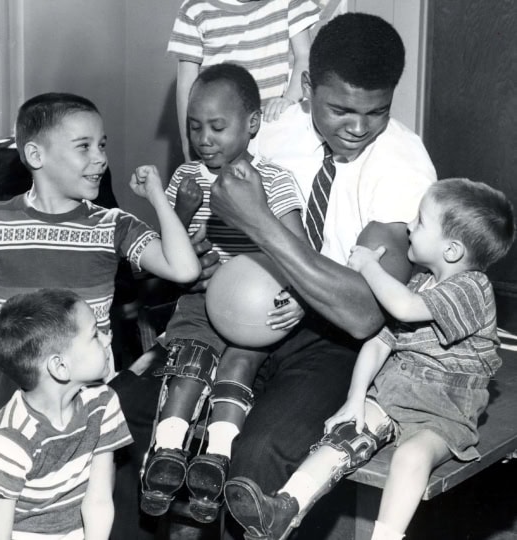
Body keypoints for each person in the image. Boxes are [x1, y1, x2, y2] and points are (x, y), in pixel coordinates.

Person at [203, 12, 437, 537]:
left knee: (258, 457)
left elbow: (363, 313)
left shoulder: (402, 164)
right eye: (339, 109)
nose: (357, 128)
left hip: (342, 342)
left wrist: (260, 223)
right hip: (255, 312)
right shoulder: (274, 132)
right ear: (307, 88)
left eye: (376, 111)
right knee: (139, 410)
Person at [224, 178, 516, 540]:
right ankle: (284, 507)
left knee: (411, 458)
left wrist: (367, 266)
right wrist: (355, 398)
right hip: (395, 392)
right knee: (342, 435)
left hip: (446, 410)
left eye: (421, 222)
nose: (410, 226)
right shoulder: (420, 282)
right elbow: (379, 344)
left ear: (453, 250)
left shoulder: (472, 288)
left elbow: (404, 310)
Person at [0, 92, 201, 436]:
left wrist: (157, 198)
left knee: (86, 486)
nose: (101, 158)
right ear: (35, 155)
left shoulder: (114, 225)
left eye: (102, 145)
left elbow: (184, 270)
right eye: (84, 147)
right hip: (13, 395)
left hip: (89, 400)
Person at [140, 62, 307, 524]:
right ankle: (167, 453)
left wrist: (289, 290)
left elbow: (297, 251)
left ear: (252, 125)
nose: (204, 139)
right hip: (201, 298)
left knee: (238, 362)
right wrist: (183, 209)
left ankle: (216, 456)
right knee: (191, 358)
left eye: (218, 126)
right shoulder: (185, 178)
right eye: (195, 128)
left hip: (255, 308)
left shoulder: (273, 180)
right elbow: (174, 260)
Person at [0, 289, 134, 540]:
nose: (107, 339)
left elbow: (99, 500)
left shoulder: (103, 403)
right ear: (60, 366)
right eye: (95, 334)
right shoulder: (13, 439)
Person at [167, 0, 321, 160]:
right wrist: (188, 150)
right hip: (218, 131)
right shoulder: (194, 7)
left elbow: (305, 56)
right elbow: (187, 85)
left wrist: (290, 99)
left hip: (272, 123)